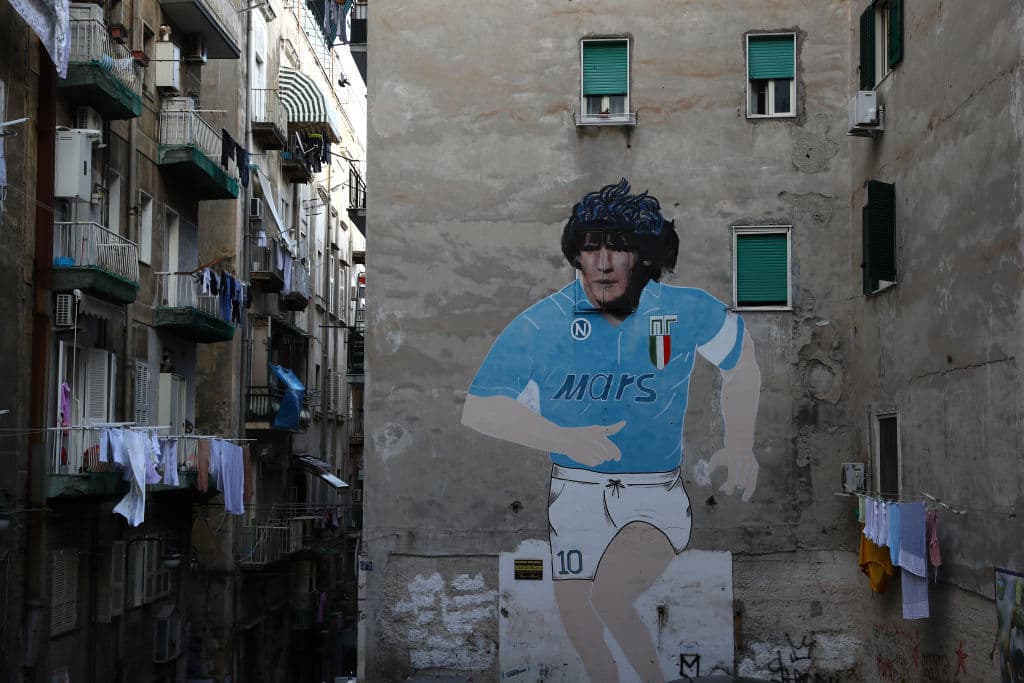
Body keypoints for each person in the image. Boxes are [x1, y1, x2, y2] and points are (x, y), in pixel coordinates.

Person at [462, 179, 761, 682]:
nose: (603, 262)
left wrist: (740, 443)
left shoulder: (682, 310)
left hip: (654, 494)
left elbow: (741, 357)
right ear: (576, 256)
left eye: (619, 247)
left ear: (642, 257)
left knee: (609, 598)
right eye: (591, 246)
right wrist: (566, 439)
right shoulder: (544, 323)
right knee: (578, 617)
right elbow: (479, 406)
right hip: (575, 491)